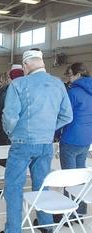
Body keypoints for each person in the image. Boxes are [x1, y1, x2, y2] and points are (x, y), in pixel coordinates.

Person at [0, 49, 73, 233]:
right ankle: (46, 224)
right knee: (42, 184)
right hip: (46, 143)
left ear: (26, 65)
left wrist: (11, 134)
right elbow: (67, 116)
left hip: (22, 142)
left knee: (14, 186)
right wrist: (49, 128)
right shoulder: (58, 84)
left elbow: (10, 116)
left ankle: (13, 229)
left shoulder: (19, 84)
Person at [59, 62, 92, 219]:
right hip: (86, 138)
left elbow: (65, 116)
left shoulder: (73, 92)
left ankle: (69, 214)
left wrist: (55, 132)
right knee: (80, 174)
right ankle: (80, 210)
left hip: (71, 137)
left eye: (70, 75)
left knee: (69, 176)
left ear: (79, 75)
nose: (68, 79)